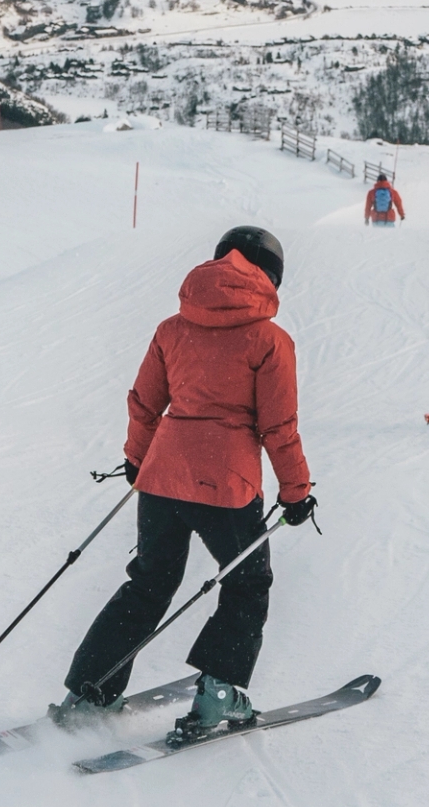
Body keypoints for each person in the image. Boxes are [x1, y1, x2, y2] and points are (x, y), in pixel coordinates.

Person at [58, 225, 317, 740]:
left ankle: (90, 692)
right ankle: (218, 692)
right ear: (272, 277)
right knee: (246, 582)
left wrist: (138, 460)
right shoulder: (270, 339)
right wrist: (296, 492)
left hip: (162, 477)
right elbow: (279, 428)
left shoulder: (172, 329)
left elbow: (144, 404)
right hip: (227, 484)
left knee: (148, 583)